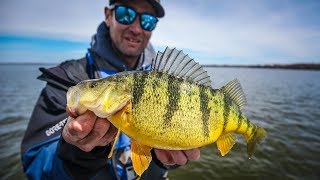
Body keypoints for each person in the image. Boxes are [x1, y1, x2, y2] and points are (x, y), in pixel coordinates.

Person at [21, 0, 201, 179]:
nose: (136, 29)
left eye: (147, 20)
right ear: (108, 16)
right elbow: (36, 166)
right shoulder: (66, 79)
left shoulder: (166, 79)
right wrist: (77, 156)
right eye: (126, 14)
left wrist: (165, 156)